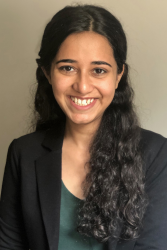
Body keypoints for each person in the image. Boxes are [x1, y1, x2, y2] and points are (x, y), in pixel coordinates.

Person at [0, 4, 167, 250]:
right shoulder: (23, 152)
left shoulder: (156, 153)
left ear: (119, 75)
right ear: (47, 72)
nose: (83, 86)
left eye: (99, 70)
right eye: (67, 68)